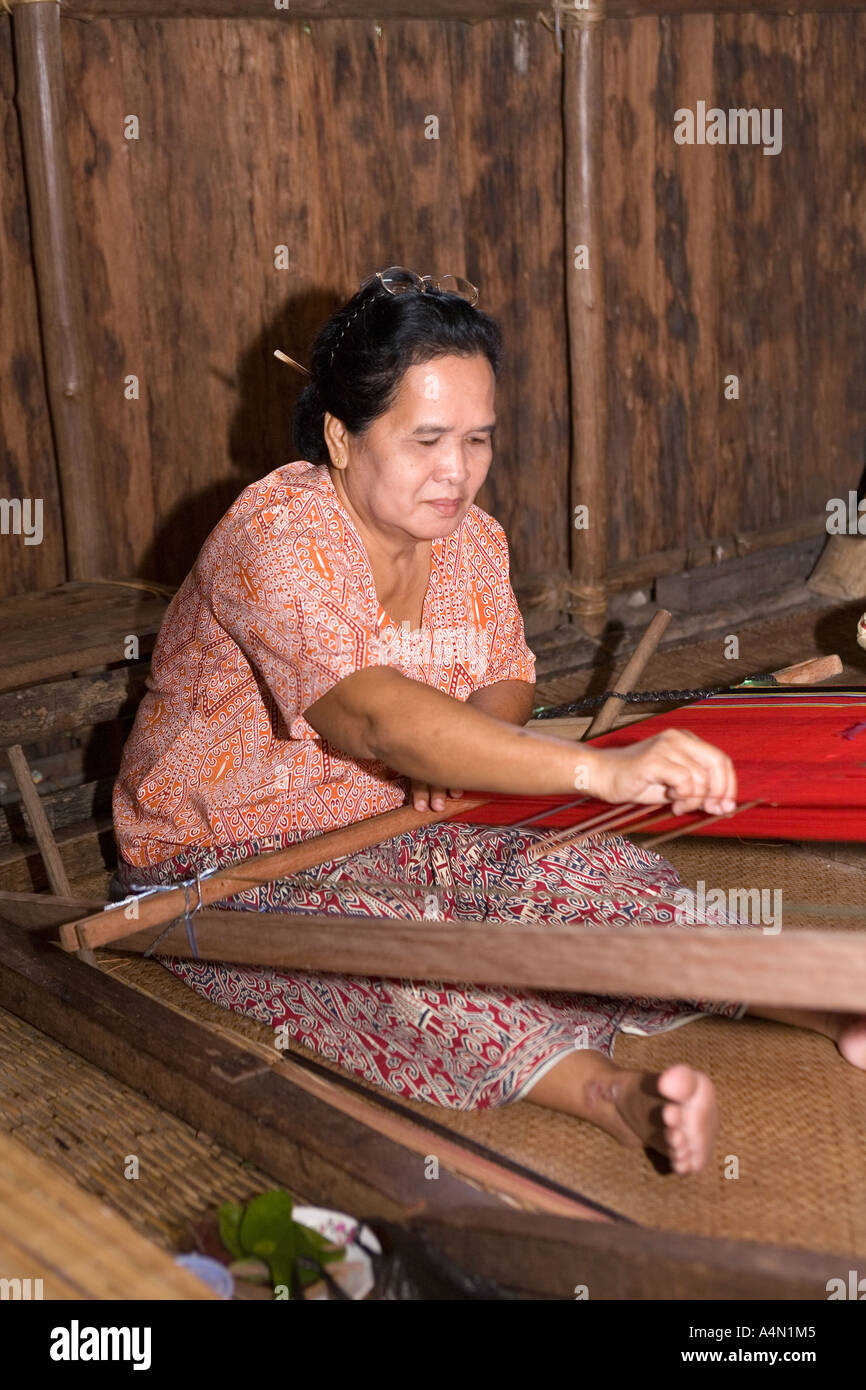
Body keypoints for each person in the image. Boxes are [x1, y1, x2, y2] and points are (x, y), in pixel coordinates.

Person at [113, 266, 866, 1176]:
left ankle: (831, 1008)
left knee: (586, 869)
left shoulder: (471, 539)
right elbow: (372, 720)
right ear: (341, 438)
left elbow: (506, 676)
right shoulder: (277, 536)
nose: (457, 472)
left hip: (398, 815)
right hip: (228, 852)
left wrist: (470, 735)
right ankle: (614, 1098)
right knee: (388, 954)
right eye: (427, 439)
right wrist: (597, 771)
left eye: (478, 440)